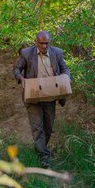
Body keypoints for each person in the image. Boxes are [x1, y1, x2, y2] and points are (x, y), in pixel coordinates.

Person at [13, 31, 70, 168]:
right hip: (33, 96)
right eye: (41, 43)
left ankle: (40, 148)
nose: (44, 46)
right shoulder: (27, 53)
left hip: (50, 94)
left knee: (48, 127)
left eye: (46, 43)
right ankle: (43, 156)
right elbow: (16, 69)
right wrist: (21, 79)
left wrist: (66, 78)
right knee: (37, 127)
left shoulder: (57, 53)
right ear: (36, 42)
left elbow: (65, 69)